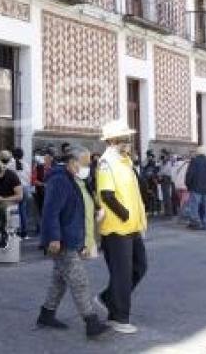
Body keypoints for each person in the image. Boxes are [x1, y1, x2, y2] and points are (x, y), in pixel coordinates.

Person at [36, 145, 109, 338]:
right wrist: (53, 237)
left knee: (59, 281)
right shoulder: (60, 180)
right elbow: (51, 211)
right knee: (79, 280)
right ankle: (91, 322)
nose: (87, 167)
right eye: (85, 163)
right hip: (62, 240)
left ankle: (46, 314)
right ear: (72, 162)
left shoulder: (74, 179)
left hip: (70, 237)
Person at [94, 120, 147, 335]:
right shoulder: (107, 162)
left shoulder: (125, 161)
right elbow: (107, 194)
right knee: (122, 274)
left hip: (132, 226)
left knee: (140, 267)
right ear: (112, 141)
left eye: (128, 138)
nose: (128, 141)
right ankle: (118, 317)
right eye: (124, 138)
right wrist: (124, 214)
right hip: (117, 228)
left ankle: (108, 298)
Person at [185, 146, 206, 230]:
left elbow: (189, 175)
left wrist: (188, 185)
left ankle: (195, 223)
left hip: (196, 188)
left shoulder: (194, 161)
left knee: (194, 206)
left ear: (198, 152)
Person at [12, 148, 32, 237]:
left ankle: (16, 231)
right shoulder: (27, 165)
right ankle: (25, 231)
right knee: (23, 211)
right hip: (25, 188)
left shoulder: (10, 165)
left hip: (15, 189)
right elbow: (29, 177)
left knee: (15, 211)